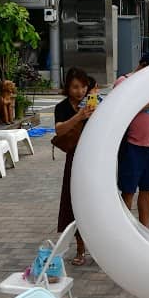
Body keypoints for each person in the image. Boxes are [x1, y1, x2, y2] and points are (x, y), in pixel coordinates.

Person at [116, 49, 149, 227]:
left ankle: (144, 228)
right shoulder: (124, 81)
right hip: (132, 145)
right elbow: (119, 110)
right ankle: (124, 228)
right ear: (144, 66)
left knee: (147, 190)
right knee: (128, 190)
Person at [52, 68, 95, 266]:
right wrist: (79, 116)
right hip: (74, 158)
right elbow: (59, 129)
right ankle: (80, 247)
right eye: (75, 87)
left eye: (83, 86)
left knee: (93, 203)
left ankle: (97, 245)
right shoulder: (62, 107)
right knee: (74, 202)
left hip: (93, 158)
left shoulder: (93, 104)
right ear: (67, 87)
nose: (80, 91)